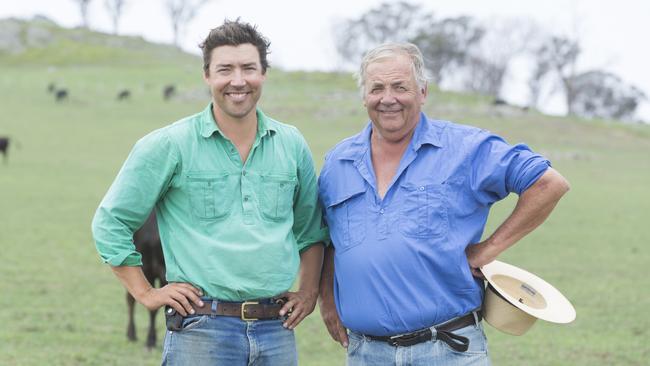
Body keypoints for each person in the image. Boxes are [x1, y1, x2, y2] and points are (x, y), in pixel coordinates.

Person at [317, 42, 570, 365]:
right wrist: (327, 299)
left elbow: (548, 184)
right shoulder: (338, 162)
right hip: (366, 353)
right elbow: (327, 240)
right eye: (377, 88)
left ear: (422, 91)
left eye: (400, 87)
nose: (388, 98)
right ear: (364, 95)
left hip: (448, 350)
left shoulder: (465, 148)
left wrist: (488, 249)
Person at [92, 20, 327, 365]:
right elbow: (110, 222)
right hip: (201, 330)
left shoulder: (291, 143)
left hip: (276, 332)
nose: (238, 80)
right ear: (207, 75)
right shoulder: (170, 144)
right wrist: (146, 292)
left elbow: (311, 229)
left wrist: (308, 292)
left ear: (263, 73)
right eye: (225, 69)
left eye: (249, 68)